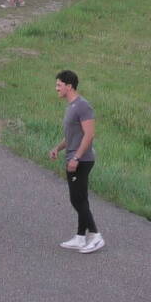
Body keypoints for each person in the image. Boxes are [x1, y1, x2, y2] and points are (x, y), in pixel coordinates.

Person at [49, 70, 103, 253]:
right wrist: (58, 148)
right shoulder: (71, 106)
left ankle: (95, 235)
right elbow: (72, 136)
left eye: (59, 85)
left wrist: (76, 157)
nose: (56, 88)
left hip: (82, 160)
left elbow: (89, 135)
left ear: (69, 86)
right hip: (74, 157)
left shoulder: (83, 106)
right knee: (80, 198)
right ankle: (80, 237)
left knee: (77, 199)